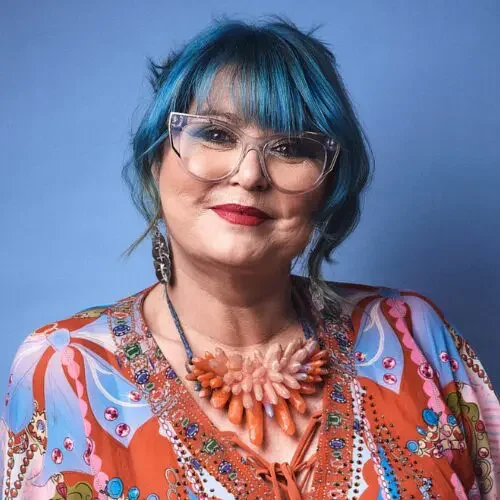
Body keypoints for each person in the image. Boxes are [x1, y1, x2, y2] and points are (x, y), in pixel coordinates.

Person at [1, 15, 498, 500]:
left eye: (291, 147)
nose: (251, 174)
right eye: (217, 134)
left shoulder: (412, 335)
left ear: (327, 188)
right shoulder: (64, 367)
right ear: (156, 161)